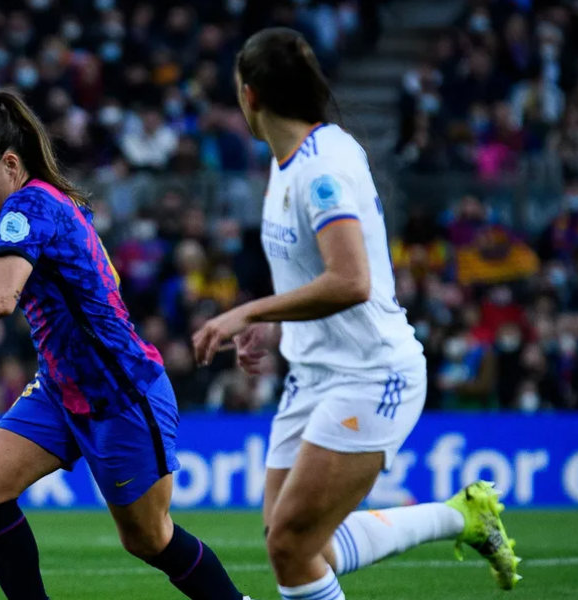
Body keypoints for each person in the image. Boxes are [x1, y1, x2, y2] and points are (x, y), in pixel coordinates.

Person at [0, 89, 253, 600]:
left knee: (148, 539)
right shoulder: (44, 202)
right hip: (61, 390)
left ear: (9, 163)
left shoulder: (30, 205)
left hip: (121, 396)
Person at [191, 28, 521, 600]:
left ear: (250, 96)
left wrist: (246, 314)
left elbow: (350, 281)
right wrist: (272, 325)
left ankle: (463, 517)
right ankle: (463, 517)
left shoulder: (321, 171)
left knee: (291, 546)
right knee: (292, 539)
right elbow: (311, 274)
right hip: (314, 374)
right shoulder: (288, 158)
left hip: (371, 376)